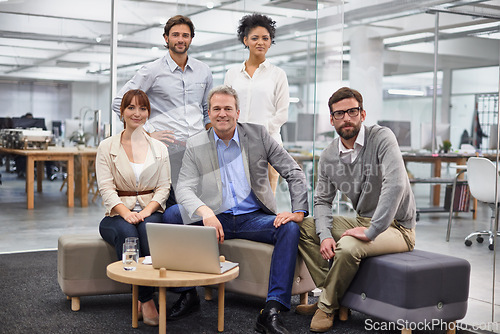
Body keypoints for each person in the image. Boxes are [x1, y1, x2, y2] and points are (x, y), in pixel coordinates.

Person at [170, 85, 309, 334]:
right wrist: (205, 212)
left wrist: (298, 210)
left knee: (289, 228)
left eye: (228, 108)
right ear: (209, 114)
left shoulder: (258, 135)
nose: (222, 114)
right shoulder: (196, 143)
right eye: (216, 109)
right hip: (217, 218)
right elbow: (184, 188)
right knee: (171, 215)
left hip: (253, 218)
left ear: (238, 112)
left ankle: (272, 310)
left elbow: (293, 171)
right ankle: (187, 294)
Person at [296, 87, 416, 332]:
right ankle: (339, 299)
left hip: (398, 228)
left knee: (349, 246)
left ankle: (326, 306)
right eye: (339, 114)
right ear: (331, 119)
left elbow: (395, 184)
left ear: (362, 114)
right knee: (300, 227)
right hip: (363, 220)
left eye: (352, 111)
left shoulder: (382, 137)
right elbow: (321, 201)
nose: (346, 118)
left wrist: (372, 231)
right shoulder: (329, 155)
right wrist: (326, 235)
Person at [112, 14, 213, 203]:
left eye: (185, 35)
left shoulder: (204, 71)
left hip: (199, 149)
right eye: (175, 35)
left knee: (200, 204)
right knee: (174, 205)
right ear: (166, 38)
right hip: (169, 149)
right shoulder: (152, 71)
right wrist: (146, 133)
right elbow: (119, 102)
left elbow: (207, 110)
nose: (180, 39)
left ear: (191, 38)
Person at [97, 89, 171, 327]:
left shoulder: (159, 148)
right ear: (122, 112)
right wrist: (127, 213)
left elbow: (164, 187)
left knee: (149, 231)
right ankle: (147, 301)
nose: (137, 113)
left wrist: (146, 211)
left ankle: (142, 298)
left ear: (148, 113)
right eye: (131, 107)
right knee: (129, 235)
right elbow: (106, 189)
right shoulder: (107, 147)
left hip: (150, 210)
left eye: (142, 108)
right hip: (117, 213)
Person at [224, 13, 289, 194]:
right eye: (255, 38)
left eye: (265, 38)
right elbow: (226, 109)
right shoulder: (232, 74)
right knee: (236, 198)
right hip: (237, 145)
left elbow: (282, 113)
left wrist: (258, 133)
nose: (260, 42)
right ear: (245, 41)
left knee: (266, 202)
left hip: (270, 146)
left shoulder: (278, 74)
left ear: (270, 42)